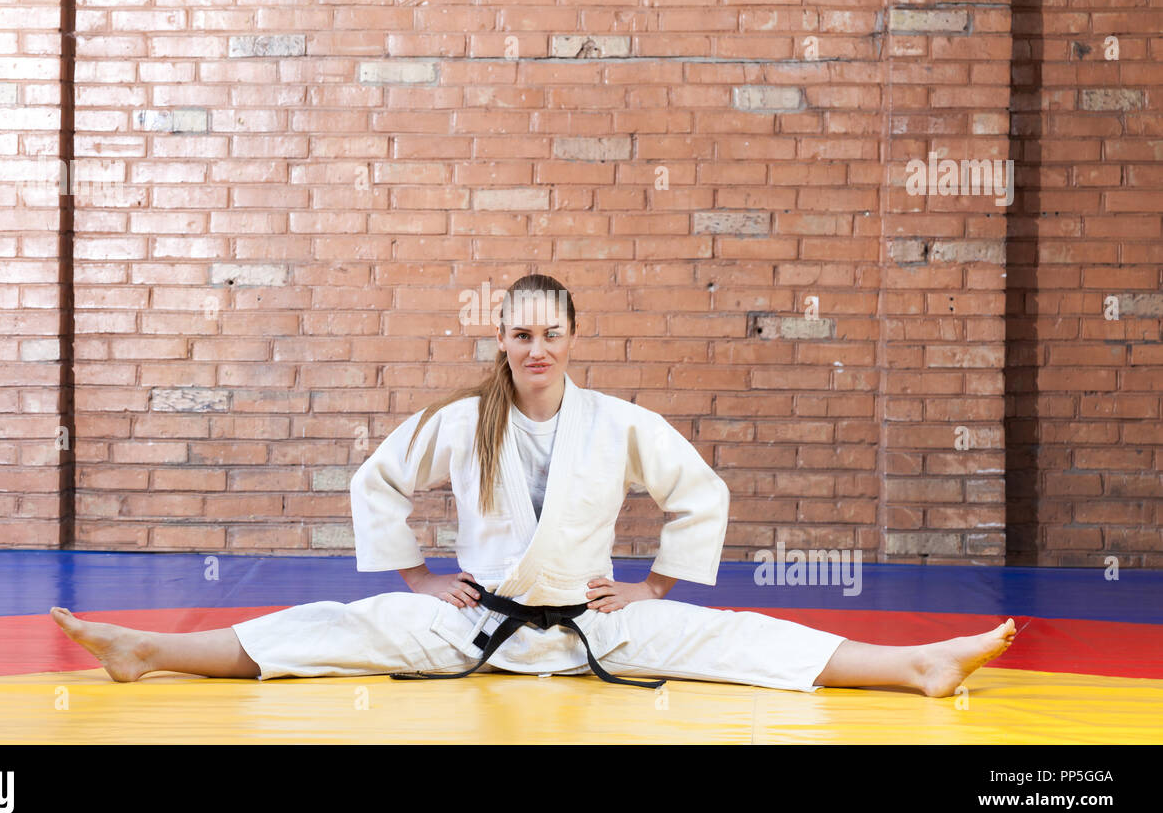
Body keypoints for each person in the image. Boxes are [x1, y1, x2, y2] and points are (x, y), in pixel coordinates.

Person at [51, 274, 1016, 696]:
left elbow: (699, 493)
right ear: (502, 341)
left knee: (742, 638)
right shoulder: (462, 420)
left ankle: (917, 665)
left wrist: (658, 587)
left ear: (572, 339)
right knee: (325, 628)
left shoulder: (619, 422)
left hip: (597, 622)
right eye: (521, 333)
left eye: (552, 332)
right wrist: (419, 578)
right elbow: (377, 481)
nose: (537, 347)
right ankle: (145, 652)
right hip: (474, 622)